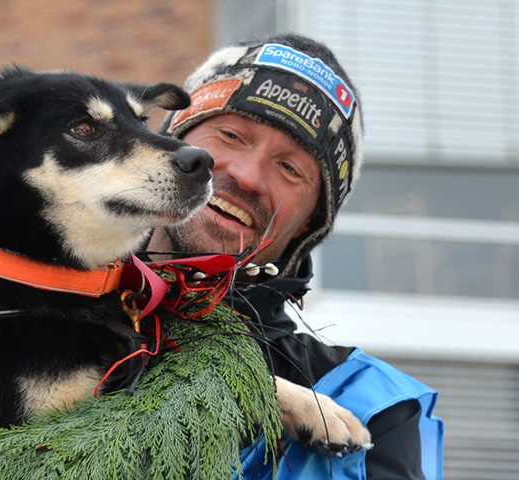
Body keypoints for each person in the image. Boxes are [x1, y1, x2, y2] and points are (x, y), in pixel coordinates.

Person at [146, 34, 444, 479]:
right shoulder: (26, 303)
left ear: (309, 224)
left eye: (290, 168)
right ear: (172, 140)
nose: (247, 176)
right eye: (230, 135)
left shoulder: (370, 406)